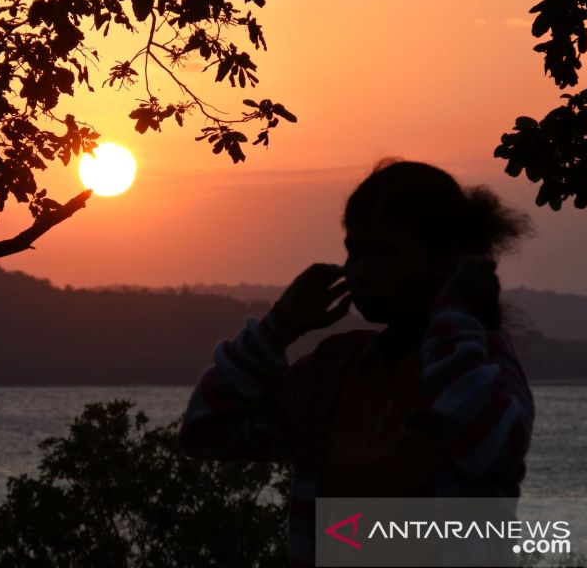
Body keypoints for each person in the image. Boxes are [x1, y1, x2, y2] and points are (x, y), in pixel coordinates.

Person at [179, 159, 535, 567]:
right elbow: (206, 432)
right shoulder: (332, 370)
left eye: (383, 252)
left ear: (445, 261)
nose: (359, 271)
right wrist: (277, 329)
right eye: (353, 250)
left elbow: (486, 448)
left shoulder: (482, 365)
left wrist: (454, 314)